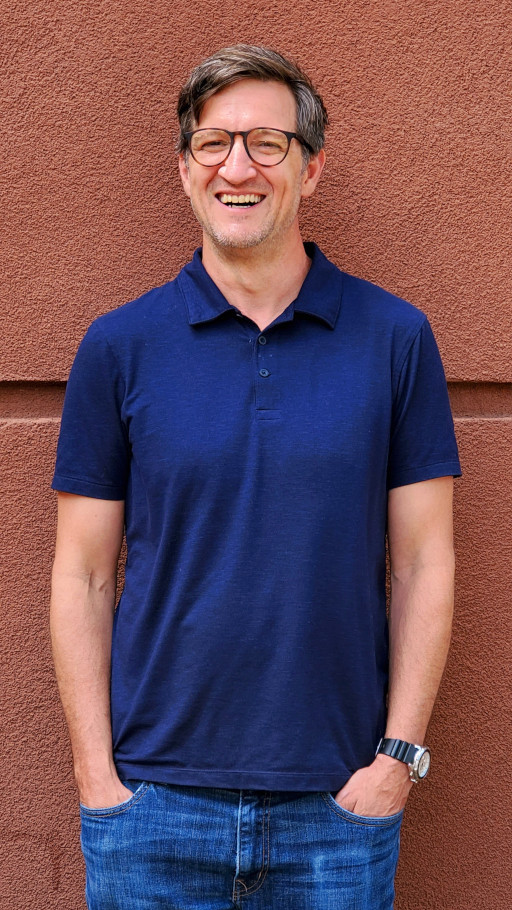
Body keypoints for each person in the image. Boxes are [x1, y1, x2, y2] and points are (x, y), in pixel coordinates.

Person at [50, 44, 461, 910]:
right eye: (213, 143)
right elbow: (82, 574)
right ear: (185, 169)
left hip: (338, 807)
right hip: (152, 807)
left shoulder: (394, 338)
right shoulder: (119, 347)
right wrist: (98, 780)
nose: (238, 167)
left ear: (311, 169)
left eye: (267, 144)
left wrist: (396, 763)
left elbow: (425, 564)